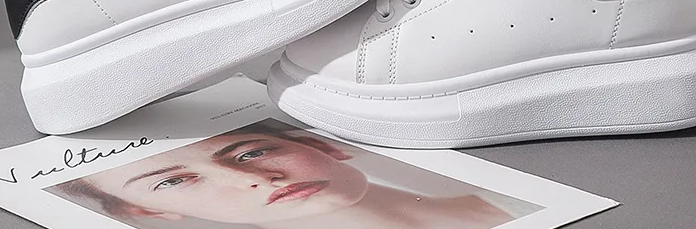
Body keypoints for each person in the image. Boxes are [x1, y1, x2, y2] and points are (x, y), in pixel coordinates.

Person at [53, 122, 519, 227]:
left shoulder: (517, 202)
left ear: (322, 144)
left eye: (252, 152)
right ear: (146, 211)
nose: (252, 179)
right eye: (172, 181)